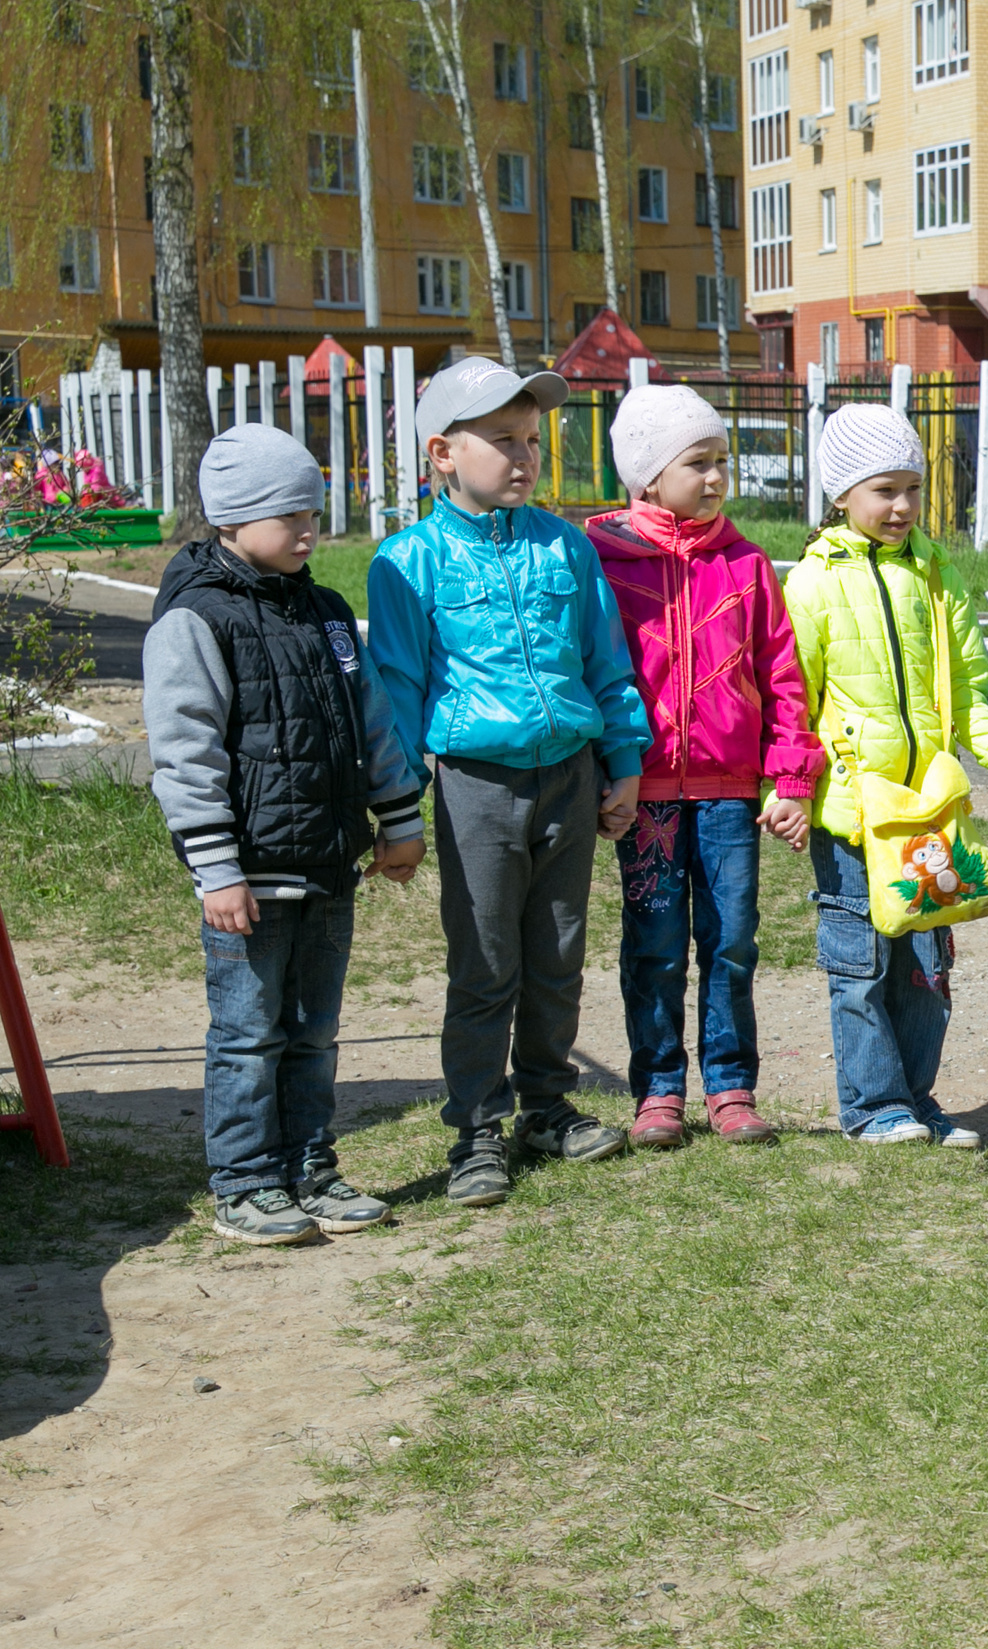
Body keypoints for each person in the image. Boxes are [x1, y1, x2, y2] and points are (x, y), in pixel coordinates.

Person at [370, 358, 651, 1207]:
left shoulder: (565, 545)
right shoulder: (407, 562)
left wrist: (624, 761)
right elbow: (393, 691)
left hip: (570, 775)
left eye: (533, 440)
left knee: (558, 951)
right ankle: (475, 1128)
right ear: (442, 453)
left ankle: (547, 1104)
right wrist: (396, 806)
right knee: (486, 958)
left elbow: (606, 662)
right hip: (475, 785)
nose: (525, 457)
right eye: (502, 441)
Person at [145, 426, 426, 1244]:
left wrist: (398, 818)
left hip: (330, 869)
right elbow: (185, 756)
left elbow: (370, 722)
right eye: (288, 514)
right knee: (247, 1034)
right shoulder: (195, 621)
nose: (308, 528)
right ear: (233, 517)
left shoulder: (328, 613)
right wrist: (216, 870)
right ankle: (245, 1181)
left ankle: (311, 1166)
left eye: (312, 510)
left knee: (314, 1031)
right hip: (250, 880)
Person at [587, 385, 823, 1146]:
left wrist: (791, 778)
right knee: (653, 944)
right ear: (647, 475)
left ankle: (730, 1086)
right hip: (643, 792)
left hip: (727, 793)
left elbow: (784, 675)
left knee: (731, 939)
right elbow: (591, 670)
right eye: (699, 462)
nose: (718, 476)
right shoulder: (601, 561)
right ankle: (657, 1089)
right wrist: (602, 771)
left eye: (722, 460)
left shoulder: (748, 564)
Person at [788, 405, 988, 1146]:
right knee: (860, 963)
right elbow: (793, 697)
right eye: (885, 489)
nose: (904, 507)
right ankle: (873, 1105)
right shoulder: (814, 584)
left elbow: (969, 687)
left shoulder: (937, 575)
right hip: (857, 814)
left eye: (913, 489)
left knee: (927, 964)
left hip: (932, 812)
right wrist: (788, 790)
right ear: (841, 495)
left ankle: (918, 1099)